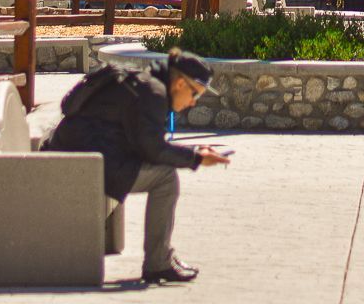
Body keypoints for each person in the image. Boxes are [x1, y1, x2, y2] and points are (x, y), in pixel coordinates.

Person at [44, 46, 230, 284]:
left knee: (162, 172)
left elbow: (144, 144)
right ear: (181, 84)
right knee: (165, 178)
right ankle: (158, 264)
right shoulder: (152, 93)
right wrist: (195, 157)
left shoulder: (144, 83)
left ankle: (160, 260)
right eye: (195, 94)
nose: (193, 103)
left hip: (77, 156)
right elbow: (153, 150)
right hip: (85, 165)